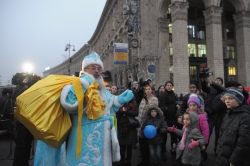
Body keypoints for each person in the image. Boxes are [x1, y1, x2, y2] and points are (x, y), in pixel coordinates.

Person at [34, 52, 134, 166]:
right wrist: (84, 86)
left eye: (99, 68)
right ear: (85, 69)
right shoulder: (77, 84)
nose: (96, 71)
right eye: (93, 68)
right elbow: (70, 105)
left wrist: (120, 99)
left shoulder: (101, 88)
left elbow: (109, 103)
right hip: (85, 138)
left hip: (103, 142)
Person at [216, 89, 250, 166]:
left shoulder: (245, 117)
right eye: (226, 99)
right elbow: (221, 135)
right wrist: (219, 150)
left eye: (230, 98)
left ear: (238, 101)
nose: (227, 101)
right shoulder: (228, 114)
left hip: (234, 159)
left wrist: (235, 160)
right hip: (223, 156)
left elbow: (244, 142)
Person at [13, 77, 37, 166]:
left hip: (30, 121)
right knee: (20, 145)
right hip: (21, 122)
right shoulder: (19, 86)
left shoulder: (32, 87)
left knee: (28, 144)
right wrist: (25, 86)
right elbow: (16, 97)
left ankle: (25, 163)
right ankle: (17, 164)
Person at [137, 85, 158, 166]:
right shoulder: (143, 99)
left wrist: (147, 102)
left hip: (148, 124)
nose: (148, 90)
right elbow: (140, 111)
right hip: (140, 123)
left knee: (147, 144)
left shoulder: (154, 99)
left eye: (149, 89)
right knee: (141, 144)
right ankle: (143, 160)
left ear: (152, 90)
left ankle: (147, 160)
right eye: (146, 89)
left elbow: (151, 110)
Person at [187, 94, 209, 166]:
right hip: (189, 139)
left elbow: (205, 130)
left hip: (198, 140)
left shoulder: (201, 116)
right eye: (190, 105)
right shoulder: (187, 115)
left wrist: (203, 143)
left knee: (200, 158)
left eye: (194, 105)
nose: (192, 107)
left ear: (198, 106)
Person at [116, 98, 138, 166]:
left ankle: (128, 161)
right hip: (122, 127)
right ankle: (122, 160)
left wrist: (127, 111)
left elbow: (136, 113)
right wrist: (121, 111)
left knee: (129, 147)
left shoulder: (133, 104)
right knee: (122, 146)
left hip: (130, 127)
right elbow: (116, 114)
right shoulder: (119, 104)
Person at [164, 81, 180, 156]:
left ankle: (173, 148)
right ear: (165, 86)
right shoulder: (164, 94)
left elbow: (174, 102)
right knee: (164, 135)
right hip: (166, 118)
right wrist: (167, 109)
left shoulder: (173, 94)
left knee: (173, 134)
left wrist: (176, 105)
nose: (169, 86)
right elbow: (162, 105)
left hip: (173, 117)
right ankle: (163, 150)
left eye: (170, 85)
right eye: (168, 85)